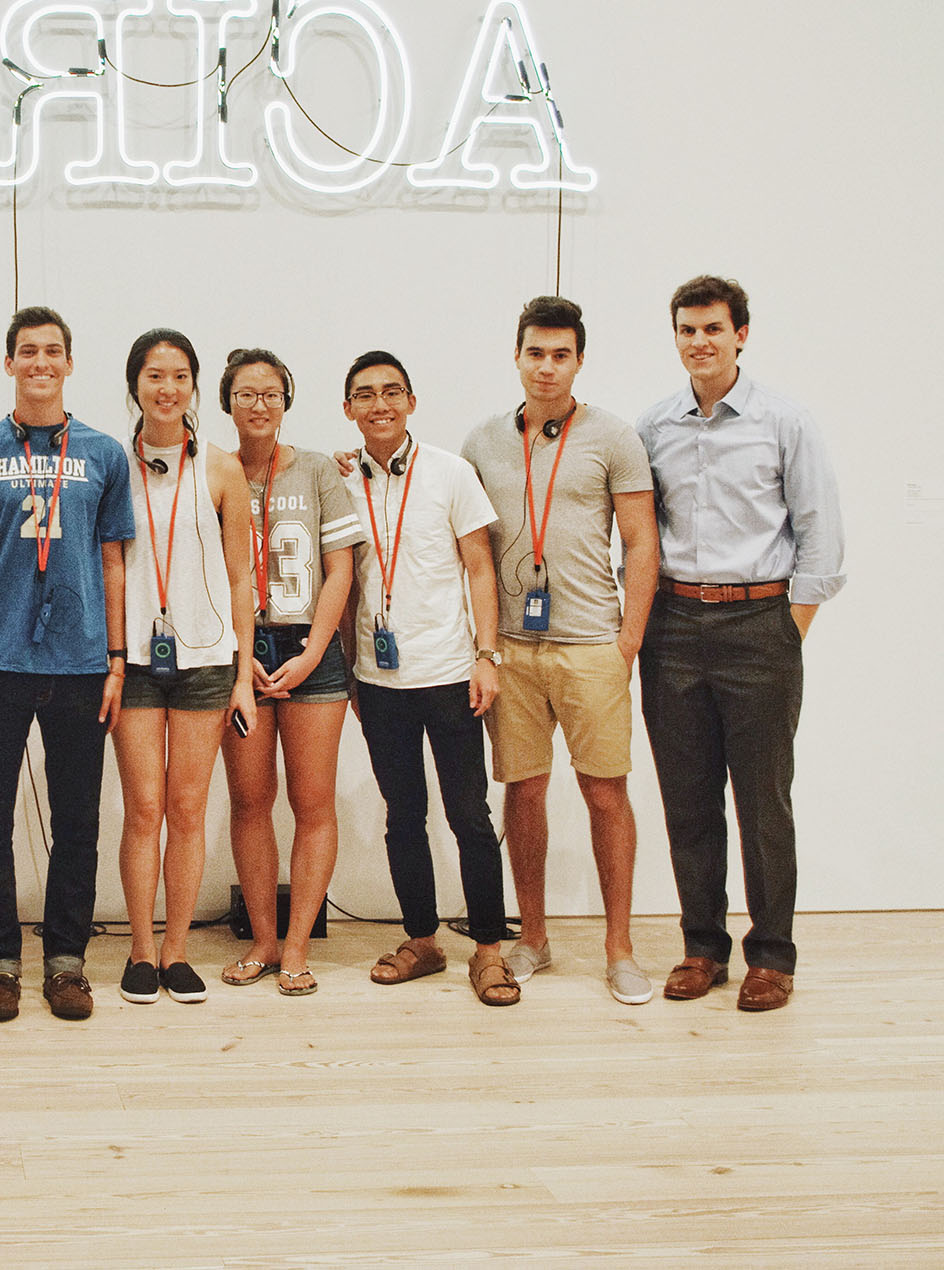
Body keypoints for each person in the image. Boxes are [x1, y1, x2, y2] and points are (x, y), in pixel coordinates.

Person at [636, 276, 843, 1012]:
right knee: (687, 800)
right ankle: (702, 949)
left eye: (713, 330)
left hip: (760, 627)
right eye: (688, 330)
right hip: (674, 625)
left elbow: (821, 535)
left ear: (741, 335)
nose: (700, 342)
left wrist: (788, 630)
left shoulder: (784, 420)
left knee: (763, 802)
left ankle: (772, 956)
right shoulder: (654, 425)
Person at [460, 296, 660, 1004]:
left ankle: (620, 948)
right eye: (535, 352)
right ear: (516, 356)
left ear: (579, 360)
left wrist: (627, 639)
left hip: (590, 646)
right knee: (524, 790)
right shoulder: (483, 441)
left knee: (606, 791)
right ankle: (534, 938)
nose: (546, 366)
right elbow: (468, 545)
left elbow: (641, 543)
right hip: (511, 648)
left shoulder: (614, 436)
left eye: (560, 354)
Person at [0, 307, 135, 1023]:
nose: (40, 363)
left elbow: (114, 561)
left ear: (69, 363)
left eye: (53, 351)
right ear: (9, 363)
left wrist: (116, 658)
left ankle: (66, 962)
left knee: (78, 819)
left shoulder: (103, 452)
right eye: (27, 352)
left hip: (81, 659)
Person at [339, 351, 517, 1006]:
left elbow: (480, 568)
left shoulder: (451, 473)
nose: (379, 403)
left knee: (469, 815)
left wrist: (487, 655)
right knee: (402, 816)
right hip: (377, 682)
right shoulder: (342, 482)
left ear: (411, 402)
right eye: (365, 394)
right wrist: (353, 672)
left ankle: (491, 952)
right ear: (349, 409)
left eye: (392, 392)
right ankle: (423, 941)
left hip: (449, 675)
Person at [111, 331, 256, 1006]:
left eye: (178, 376)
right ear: (134, 384)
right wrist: (110, 660)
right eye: (153, 375)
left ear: (195, 385)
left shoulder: (221, 469)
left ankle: (177, 951)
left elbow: (240, 576)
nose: (166, 388)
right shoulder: (114, 463)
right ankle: (141, 951)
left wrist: (244, 671)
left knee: (188, 807)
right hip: (136, 660)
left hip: (205, 659)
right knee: (144, 808)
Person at [212, 349, 361, 996]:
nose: (259, 405)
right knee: (250, 802)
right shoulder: (211, 472)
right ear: (227, 402)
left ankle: (297, 946)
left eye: (271, 393)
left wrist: (311, 651)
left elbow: (342, 571)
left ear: (287, 400)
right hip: (240, 653)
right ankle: (264, 940)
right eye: (246, 394)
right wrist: (244, 662)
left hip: (311, 651)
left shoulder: (323, 470)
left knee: (312, 801)